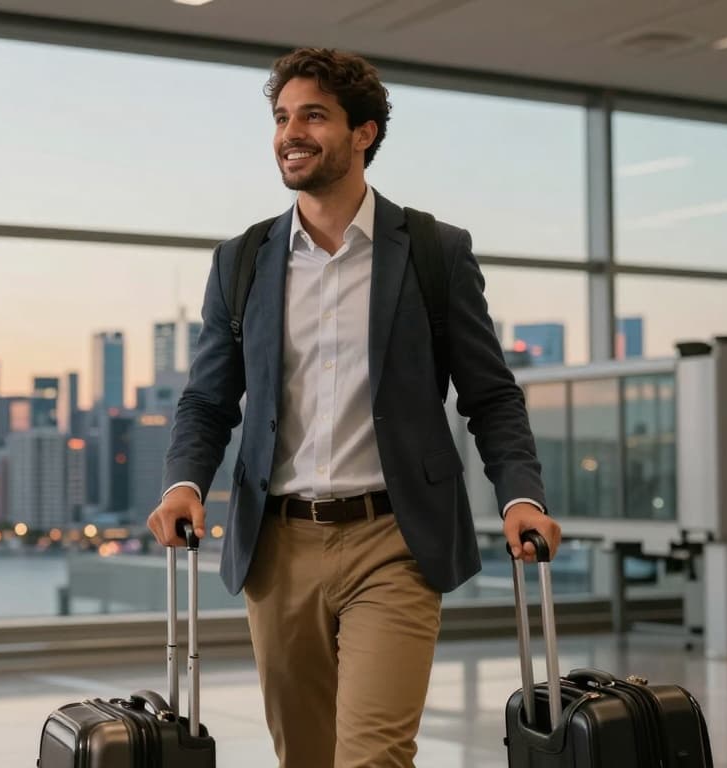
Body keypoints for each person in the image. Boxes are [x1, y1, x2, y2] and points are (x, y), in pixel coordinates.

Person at [146, 47, 561, 768]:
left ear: (364, 132)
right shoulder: (242, 261)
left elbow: (491, 395)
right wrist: (184, 482)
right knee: (305, 757)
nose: (290, 133)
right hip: (278, 546)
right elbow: (209, 399)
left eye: (313, 115)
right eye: (281, 117)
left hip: (394, 541)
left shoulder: (434, 251)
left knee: (372, 755)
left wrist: (519, 495)